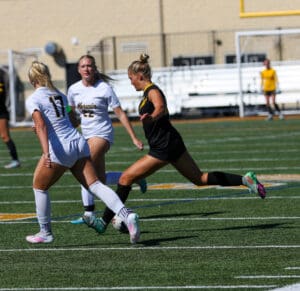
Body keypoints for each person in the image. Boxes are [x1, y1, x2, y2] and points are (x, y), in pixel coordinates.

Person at [97, 53, 267, 232]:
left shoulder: (152, 91)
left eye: (131, 78)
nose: (131, 82)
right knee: (199, 179)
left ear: (140, 76)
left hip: (163, 147)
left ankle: (104, 221)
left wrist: (152, 116)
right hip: (171, 143)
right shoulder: (148, 92)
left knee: (126, 178)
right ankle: (245, 179)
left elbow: (160, 107)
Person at [25, 61, 140, 244]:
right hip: (79, 141)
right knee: (95, 185)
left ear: (32, 80)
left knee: (39, 187)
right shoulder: (61, 96)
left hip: (61, 147)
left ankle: (45, 232)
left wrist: (46, 153)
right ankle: (127, 215)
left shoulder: (33, 99)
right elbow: (71, 118)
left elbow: (40, 125)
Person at [67, 55, 146, 229]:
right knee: (99, 180)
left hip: (103, 135)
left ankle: (89, 213)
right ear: (78, 70)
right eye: (83, 66)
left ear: (94, 68)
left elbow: (120, 114)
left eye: (90, 65)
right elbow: (72, 114)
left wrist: (134, 137)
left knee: (83, 166)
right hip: (86, 136)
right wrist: (65, 120)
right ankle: (134, 178)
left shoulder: (104, 88)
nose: (87, 68)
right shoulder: (73, 90)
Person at [0, 68, 20, 169]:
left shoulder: (0, 74)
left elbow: (1, 93)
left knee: (5, 136)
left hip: (1, 111)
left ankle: (15, 160)